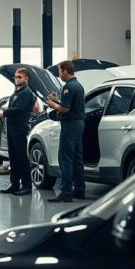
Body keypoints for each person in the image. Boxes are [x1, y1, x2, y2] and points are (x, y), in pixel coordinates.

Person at [45, 60, 86, 202]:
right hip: (79, 124)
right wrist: (57, 100)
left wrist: (52, 105)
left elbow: (65, 109)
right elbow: (69, 104)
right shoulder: (78, 86)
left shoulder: (68, 87)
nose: (59, 74)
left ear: (65, 71)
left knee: (65, 159)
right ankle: (80, 189)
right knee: (77, 158)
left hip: (70, 125)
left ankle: (66, 192)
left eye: (59, 71)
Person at [0, 67, 36, 196]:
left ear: (26, 78)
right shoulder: (17, 91)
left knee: (21, 157)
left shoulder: (26, 93)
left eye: (20, 77)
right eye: (16, 77)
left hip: (19, 127)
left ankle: (26, 186)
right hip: (12, 127)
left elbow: (19, 109)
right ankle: (14, 184)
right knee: (13, 157)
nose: (17, 79)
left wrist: (4, 112)